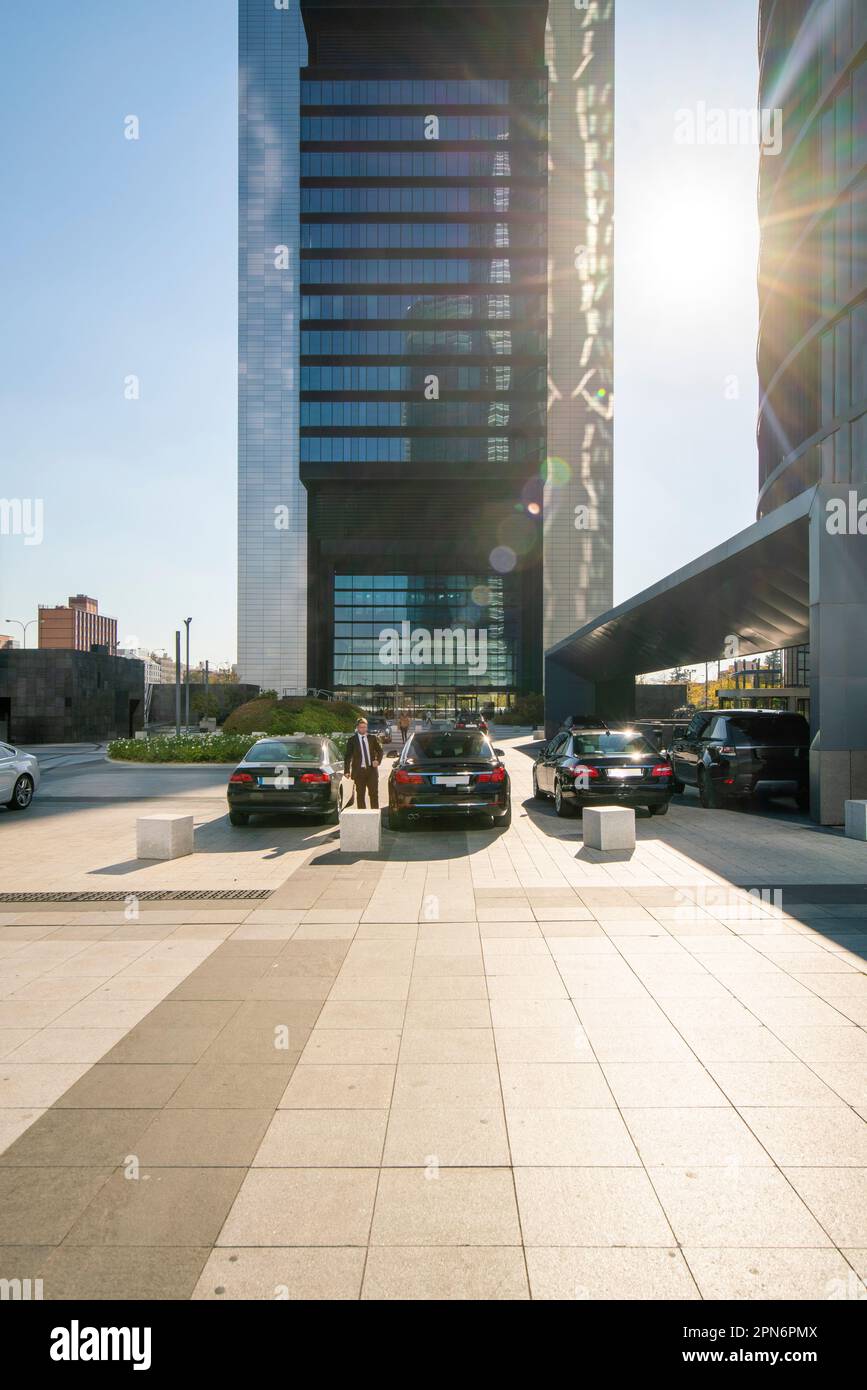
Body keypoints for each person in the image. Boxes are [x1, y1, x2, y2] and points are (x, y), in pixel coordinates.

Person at [344, 717, 383, 809]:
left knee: (374, 794)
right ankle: (362, 816)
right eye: (361, 727)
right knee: (360, 796)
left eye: (365, 727)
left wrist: (377, 761)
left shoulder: (372, 738)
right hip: (359, 772)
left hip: (371, 771)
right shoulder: (352, 740)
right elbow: (348, 756)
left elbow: (380, 751)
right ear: (357, 728)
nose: (363, 729)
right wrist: (346, 771)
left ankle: (375, 815)